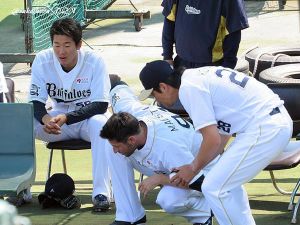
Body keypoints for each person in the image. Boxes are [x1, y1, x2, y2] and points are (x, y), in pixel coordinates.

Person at [138, 60, 293, 225]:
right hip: (270, 122)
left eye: (154, 94)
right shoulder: (194, 77)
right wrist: (196, 165)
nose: (157, 100)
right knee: (225, 184)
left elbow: (212, 139)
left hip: (264, 127)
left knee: (214, 188)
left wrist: (192, 168)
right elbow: (221, 136)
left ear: (163, 86)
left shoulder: (189, 90)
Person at [101, 78, 216, 225]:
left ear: (131, 140)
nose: (115, 151)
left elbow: (202, 183)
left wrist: (160, 179)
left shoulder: (168, 147)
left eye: (118, 146)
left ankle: (205, 211)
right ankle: (130, 216)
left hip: (203, 170)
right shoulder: (131, 113)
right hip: (168, 165)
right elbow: (116, 83)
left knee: (169, 199)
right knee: (111, 145)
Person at [28, 18, 112, 211]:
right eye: (56, 45)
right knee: (26, 124)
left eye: (67, 45)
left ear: (79, 45)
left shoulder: (95, 61)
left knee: (101, 124)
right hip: (57, 121)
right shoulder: (43, 59)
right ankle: (23, 190)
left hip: (87, 120)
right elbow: (35, 101)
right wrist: (45, 119)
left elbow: (100, 105)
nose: (61, 51)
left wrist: (68, 118)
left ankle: (101, 193)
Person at [161, 0, 249, 69]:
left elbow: (233, 33)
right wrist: (167, 56)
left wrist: (226, 68)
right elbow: (169, 20)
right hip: (181, 63)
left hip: (212, 66)